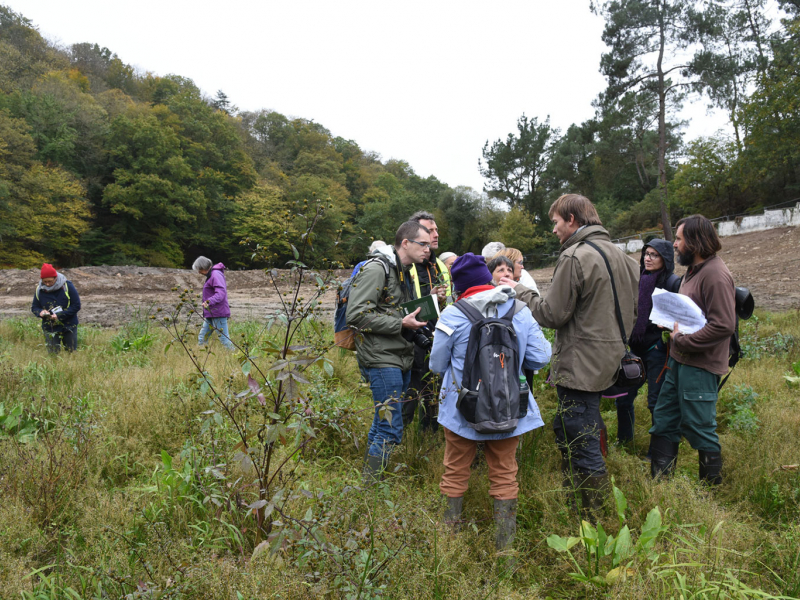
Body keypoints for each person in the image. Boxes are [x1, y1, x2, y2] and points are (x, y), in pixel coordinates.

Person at [500, 194, 639, 513]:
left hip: (581, 364)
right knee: (575, 424)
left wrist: (518, 290)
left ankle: (594, 517)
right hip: (609, 360)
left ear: (572, 220)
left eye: (556, 222)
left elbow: (551, 314)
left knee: (581, 434)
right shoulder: (622, 256)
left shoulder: (576, 256)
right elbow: (633, 311)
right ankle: (576, 500)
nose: (554, 230)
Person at [430, 252, 551, 552]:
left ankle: (448, 544)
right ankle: (505, 550)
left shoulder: (453, 314)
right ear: (487, 279)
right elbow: (541, 357)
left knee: (455, 469)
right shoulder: (520, 311)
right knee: (505, 473)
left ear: (459, 286)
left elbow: (436, 364)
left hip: (461, 410)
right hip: (509, 407)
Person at [650, 215, 736, 485]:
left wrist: (683, 341)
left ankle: (709, 492)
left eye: (679, 238)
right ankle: (660, 483)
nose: (674, 244)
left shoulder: (716, 275)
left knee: (700, 428)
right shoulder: (694, 270)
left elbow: (723, 326)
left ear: (696, 242)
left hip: (699, 367)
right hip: (678, 362)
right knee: (664, 419)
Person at [346, 221, 431, 480]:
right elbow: (357, 315)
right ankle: (370, 486)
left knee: (382, 422)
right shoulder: (377, 268)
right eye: (423, 244)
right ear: (405, 243)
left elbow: (392, 309)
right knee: (391, 428)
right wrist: (400, 323)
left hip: (399, 355)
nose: (428, 249)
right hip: (382, 358)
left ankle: (367, 479)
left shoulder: (403, 270)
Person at [611, 240, 681, 452]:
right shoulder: (638, 279)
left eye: (654, 255)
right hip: (634, 348)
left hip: (657, 350)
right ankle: (625, 441)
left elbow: (679, 315)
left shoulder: (672, 282)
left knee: (656, 402)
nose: (648, 258)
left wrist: (667, 331)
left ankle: (657, 452)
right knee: (623, 398)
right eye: (646, 254)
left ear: (665, 259)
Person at [402, 211, 453, 433]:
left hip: (435, 336)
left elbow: (449, 302)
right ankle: (399, 438)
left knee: (434, 388)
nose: (435, 234)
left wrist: (440, 302)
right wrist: (429, 299)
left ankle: (428, 437)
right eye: (429, 230)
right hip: (408, 339)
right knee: (410, 391)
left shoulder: (439, 266)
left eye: (435, 229)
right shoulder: (405, 265)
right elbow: (400, 305)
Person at [31, 263, 81, 354]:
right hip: (50, 326)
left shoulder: (67, 286)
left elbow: (76, 305)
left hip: (69, 325)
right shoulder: (39, 289)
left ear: (56, 278)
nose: (47, 284)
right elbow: (34, 307)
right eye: (44, 281)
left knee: (71, 353)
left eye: (50, 281)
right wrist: (40, 312)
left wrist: (59, 316)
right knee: (53, 354)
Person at [193, 257, 235, 351]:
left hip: (218, 313)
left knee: (224, 339)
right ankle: (202, 357)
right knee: (202, 338)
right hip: (211, 313)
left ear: (204, 267)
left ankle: (236, 356)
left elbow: (221, 293)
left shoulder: (215, 275)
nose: (199, 272)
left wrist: (208, 302)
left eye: (199, 269)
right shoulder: (211, 275)